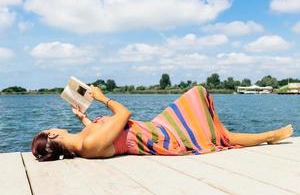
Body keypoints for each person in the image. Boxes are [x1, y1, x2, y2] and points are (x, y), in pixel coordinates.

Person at [31, 85, 293, 162]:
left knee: (209, 123)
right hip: (160, 137)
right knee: (208, 119)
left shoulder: (82, 143)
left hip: (153, 128)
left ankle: (263, 136)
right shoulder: (88, 145)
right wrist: (102, 99)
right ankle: (267, 136)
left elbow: (102, 134)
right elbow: (124, 114)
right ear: (52, 134)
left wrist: (84, 118)